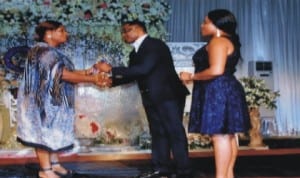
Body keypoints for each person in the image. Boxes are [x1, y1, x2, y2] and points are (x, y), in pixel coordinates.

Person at [95, 20, 191, 178]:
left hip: (168, 95)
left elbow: (144, 69)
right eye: (123, 32)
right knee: (158, 132)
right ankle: (161, 169)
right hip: (151, 96)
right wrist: (110, 81)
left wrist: (111, 69)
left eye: (127, 31)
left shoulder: (154, 45)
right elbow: (135, 74)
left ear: (139, 30)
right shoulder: (134, 52)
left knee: (174, 132)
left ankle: (184, 171)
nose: (124, 35)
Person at [16, 20, 111, 178]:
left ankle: (54, 164)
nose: (66, 34)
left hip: (52, 103)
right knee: (43, 134)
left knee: (52, 133)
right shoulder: (42, 50)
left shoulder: (51, 51)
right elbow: (63, 75)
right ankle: (45, 171)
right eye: (62, 30)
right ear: (49, 33)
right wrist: (94, 79)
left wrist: (94, 70)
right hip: (40, 103)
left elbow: (70, 72)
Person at [179, 9, 250, 178]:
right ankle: (227, 175)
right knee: (228, 135)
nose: (201, 25)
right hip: (224, 89)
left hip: (218, 91)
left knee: (221, 137)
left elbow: (216, 70)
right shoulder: (225, 41)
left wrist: (192, 76)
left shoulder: (218, 42)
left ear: (216, 25)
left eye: (205, 22)